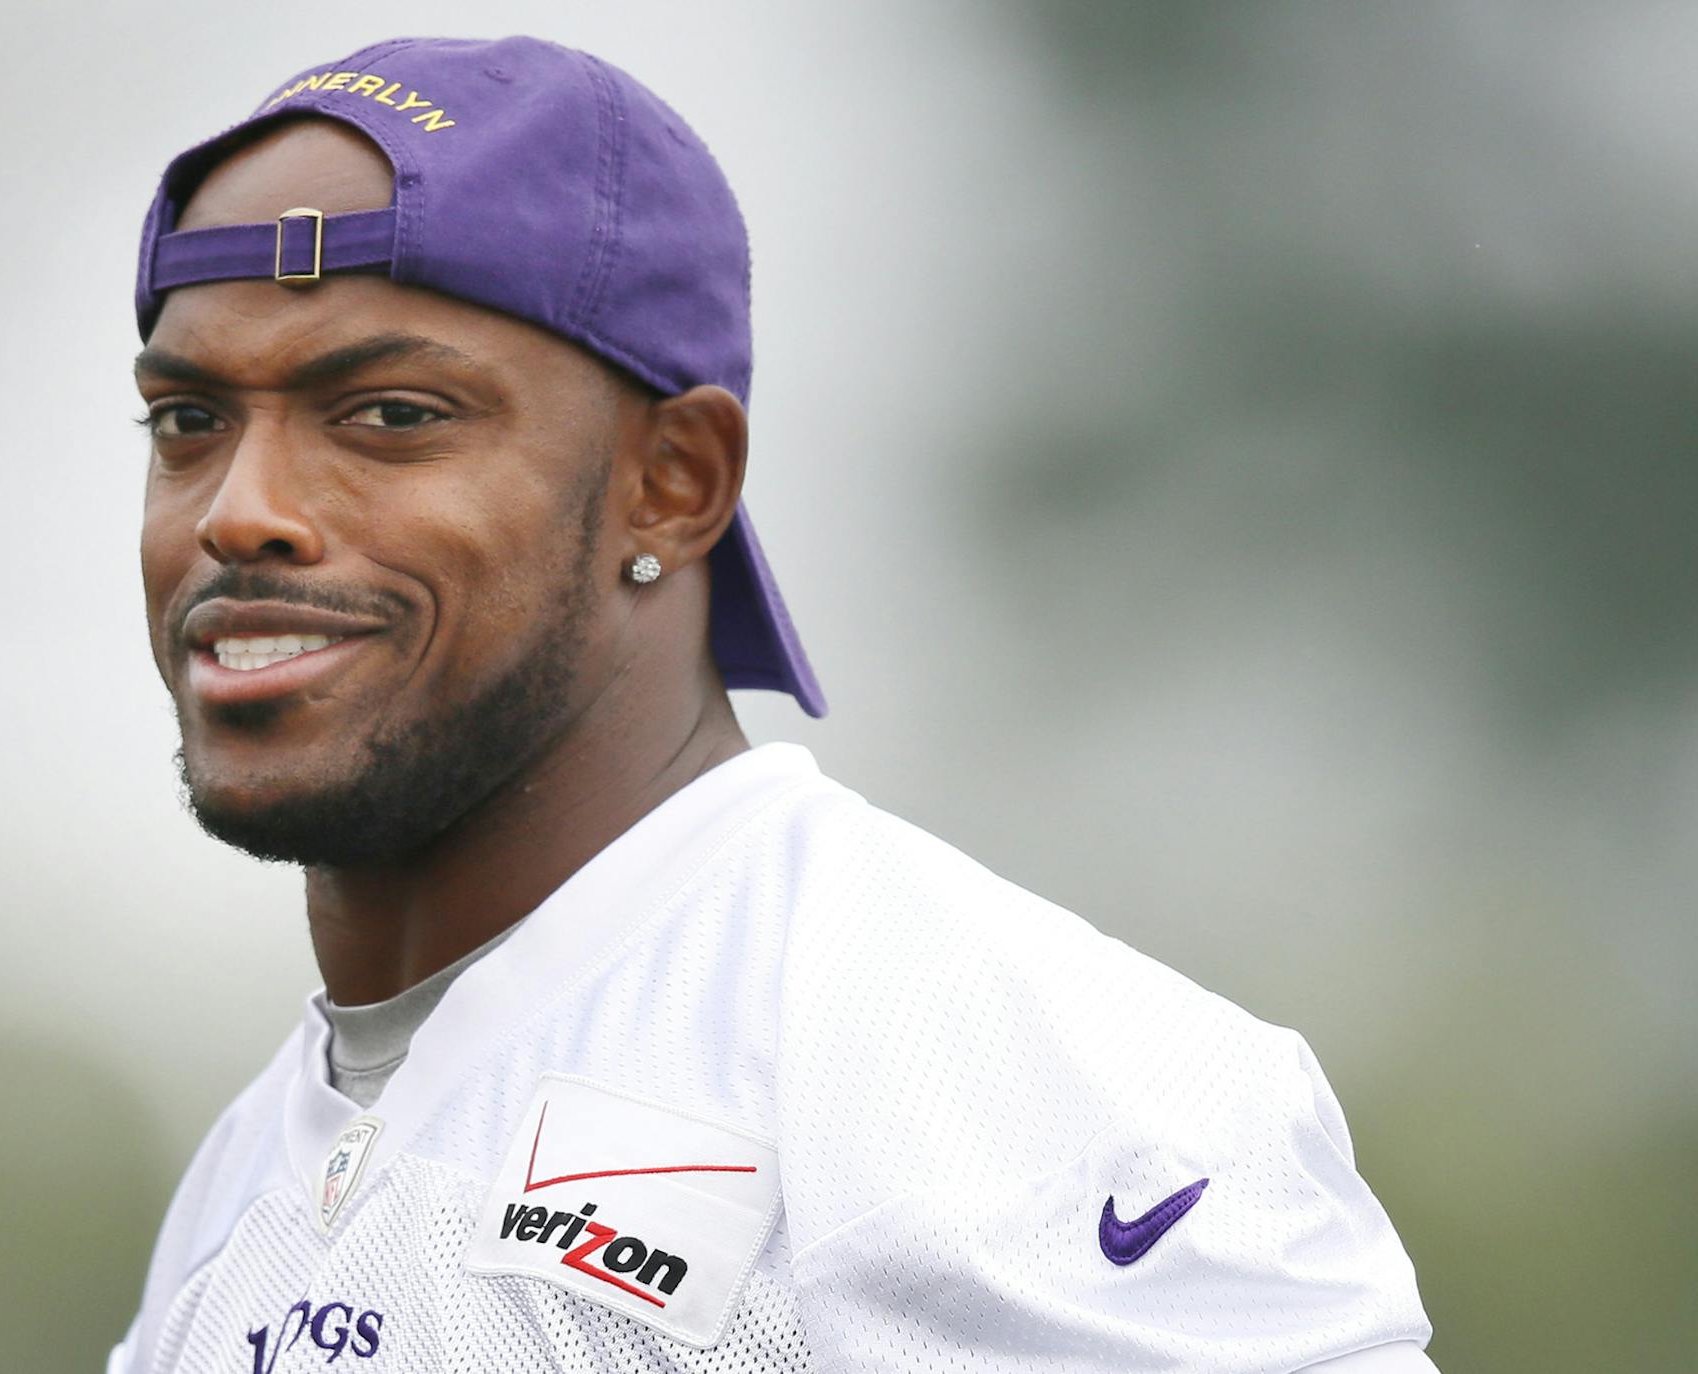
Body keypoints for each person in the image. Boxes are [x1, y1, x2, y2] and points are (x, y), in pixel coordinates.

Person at [111, 34, 1436, 1373]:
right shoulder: (237, 1191)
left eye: (390, 415)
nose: (242, 511)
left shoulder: (1000, 1078)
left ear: (675, 483)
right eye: (188, 423)